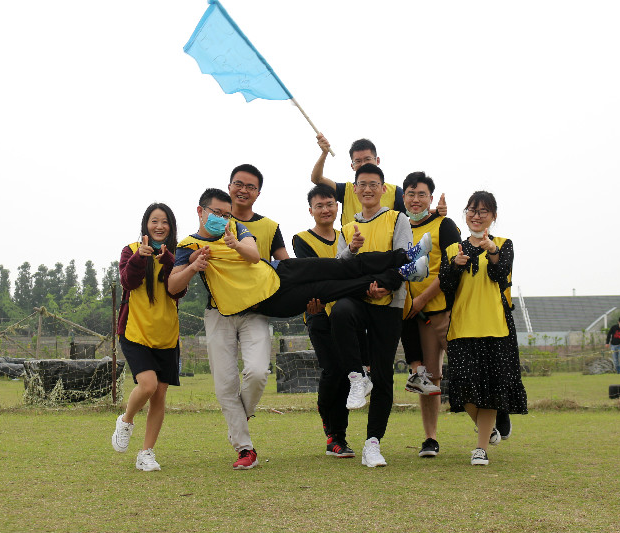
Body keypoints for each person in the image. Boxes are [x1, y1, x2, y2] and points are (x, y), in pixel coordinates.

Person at [169, 188, 429, 469]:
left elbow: (255, 255)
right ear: (201, 211)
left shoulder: (235, 228)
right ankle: (244, 443)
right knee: (334, 287)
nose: (221, 218)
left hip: (279, 273)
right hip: (266, 303)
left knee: (337, 267)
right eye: (216, 214)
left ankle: (403, 261)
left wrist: (233, 242)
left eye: (225, 214)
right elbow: (174, 285)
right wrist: (194, 266)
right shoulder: (188, 246)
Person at [329, 163, 429, 467]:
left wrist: (384, 287)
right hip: (359, 298)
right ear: (355, 190)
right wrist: (352, 250)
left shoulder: (397, 218)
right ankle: (357, 376)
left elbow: (402, 261)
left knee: (384, 375)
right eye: (362, 184)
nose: (368, 189)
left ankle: (373, 443)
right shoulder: (347, 229)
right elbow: (340, 268)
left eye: (374, 184)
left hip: (390, 302)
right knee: (341, 311)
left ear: (384, 189)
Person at [439, 191, 527, 466]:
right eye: (472, 211)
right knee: (464, 389)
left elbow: (501, 276)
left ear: (493, 216)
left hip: (495, 327)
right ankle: (489, 428)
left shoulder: (504, 244)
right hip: (461, 328)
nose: (477, 216)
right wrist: (455, 266)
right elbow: (445, 286)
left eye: (483, 212)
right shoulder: (454, 249)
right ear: (465, 214)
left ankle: (480, 449)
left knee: (488, 390)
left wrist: (491, 251)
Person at [111, 203, 187, 471]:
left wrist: (167, 259)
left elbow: (177, 291)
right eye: (154, 221)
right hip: (135, 331)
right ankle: (126, 420)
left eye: (164, 222)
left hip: (167, 335)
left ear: (171, 226)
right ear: (146, 225)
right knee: (148, 385)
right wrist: (139, 258)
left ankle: (146, 453)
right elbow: (127, 282)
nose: (159, 226)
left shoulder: (178, 255)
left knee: (160, 395)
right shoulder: (130, 250)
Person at [292, 183, 364, 458]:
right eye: (319, 205)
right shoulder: (301, 239)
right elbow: (315, 275)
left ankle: (339, 437)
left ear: (338, 207)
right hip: (318, 312)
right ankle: (331, 432)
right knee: (332, 370)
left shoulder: (349, 234)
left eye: (330, 204)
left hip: (348, 313)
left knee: (349, 373)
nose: (325, 209)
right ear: (311, 210)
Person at [398, 172, 461, 458]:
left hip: (448, 311)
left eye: (422, 194)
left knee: (467, 369)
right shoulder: (397, 226)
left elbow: (450, 268)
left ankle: (492, 422)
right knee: (429, 377)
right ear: (403, 197)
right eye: (410, 193)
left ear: (431, 198)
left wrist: (423, 298)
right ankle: (430, 438)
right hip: (418, 317)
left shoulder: (444, 224)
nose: (415, 199)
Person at [311, 134, 446, 226]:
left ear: (377, 160)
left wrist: (436, 211)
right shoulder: (346, 190)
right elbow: (317, 179)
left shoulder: (394, 192)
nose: (363, 164)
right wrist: (324, 153)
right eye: (358, 161)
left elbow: (413, 213)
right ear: (352, 166)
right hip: (352, 256)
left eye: (367, 159)